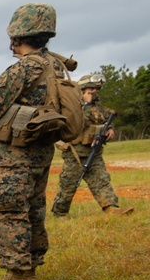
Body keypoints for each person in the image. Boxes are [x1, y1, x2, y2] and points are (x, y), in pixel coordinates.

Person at [0, 3, 74, 280]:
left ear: (17, 34)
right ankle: (29, 272)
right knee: (31, 209)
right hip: (40, 151)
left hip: (14, 154)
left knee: (6, 211)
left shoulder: (24, 68)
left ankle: (19, 278)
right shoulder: (56, 65)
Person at [51, 73, 135, 217]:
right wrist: (85, 104)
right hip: (75, 153)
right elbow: (76, 121)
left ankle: (111, 208)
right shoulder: (72, 106)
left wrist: (110, 129)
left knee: (102, 180)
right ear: (83, 89)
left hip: (93, 152)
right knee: (68, 185)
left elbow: (106, 119)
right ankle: (60, 213)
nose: (94, 91)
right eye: (91, 88)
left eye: (96, 89)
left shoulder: (98, 107)